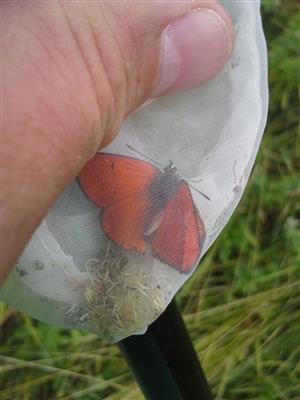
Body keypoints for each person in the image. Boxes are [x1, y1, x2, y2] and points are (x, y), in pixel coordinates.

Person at [1, 1, 235, 283]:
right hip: (148, 212)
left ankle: (138, 236)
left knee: (159, 221)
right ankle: (144, 239)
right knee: (184, 229)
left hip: (129, 212)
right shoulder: (181, 192)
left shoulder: (149, 176)